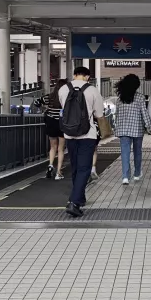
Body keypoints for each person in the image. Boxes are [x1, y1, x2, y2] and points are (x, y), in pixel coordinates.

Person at [57, 67, 105, 218]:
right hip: (87, 135)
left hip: (69, 134)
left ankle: (80, 198)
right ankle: (74, 202)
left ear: (74, 75)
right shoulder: (92, 90)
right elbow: (99, 114)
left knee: (76, 167)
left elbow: (63, 108)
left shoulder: (63, 89)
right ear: (88, 77)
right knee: (84, 169)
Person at [114, 74, 151, 186]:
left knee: (125, 153)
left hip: (123, 129)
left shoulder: (120, 98)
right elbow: (144, 114)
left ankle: (125, 176)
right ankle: (137, 173)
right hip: (137, 129)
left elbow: (117, 114)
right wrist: (149, 127)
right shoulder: (140, 97)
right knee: (137, 152)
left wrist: (117, 127)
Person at [44, 79, 66, 180]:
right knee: (60, 149)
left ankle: (50, 165)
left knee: (52, 147)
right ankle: (58, 172)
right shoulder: (66, 97)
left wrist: (46, 109)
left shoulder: (49, 97)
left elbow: (36, 102)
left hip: (51, 123)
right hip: (62, 124)